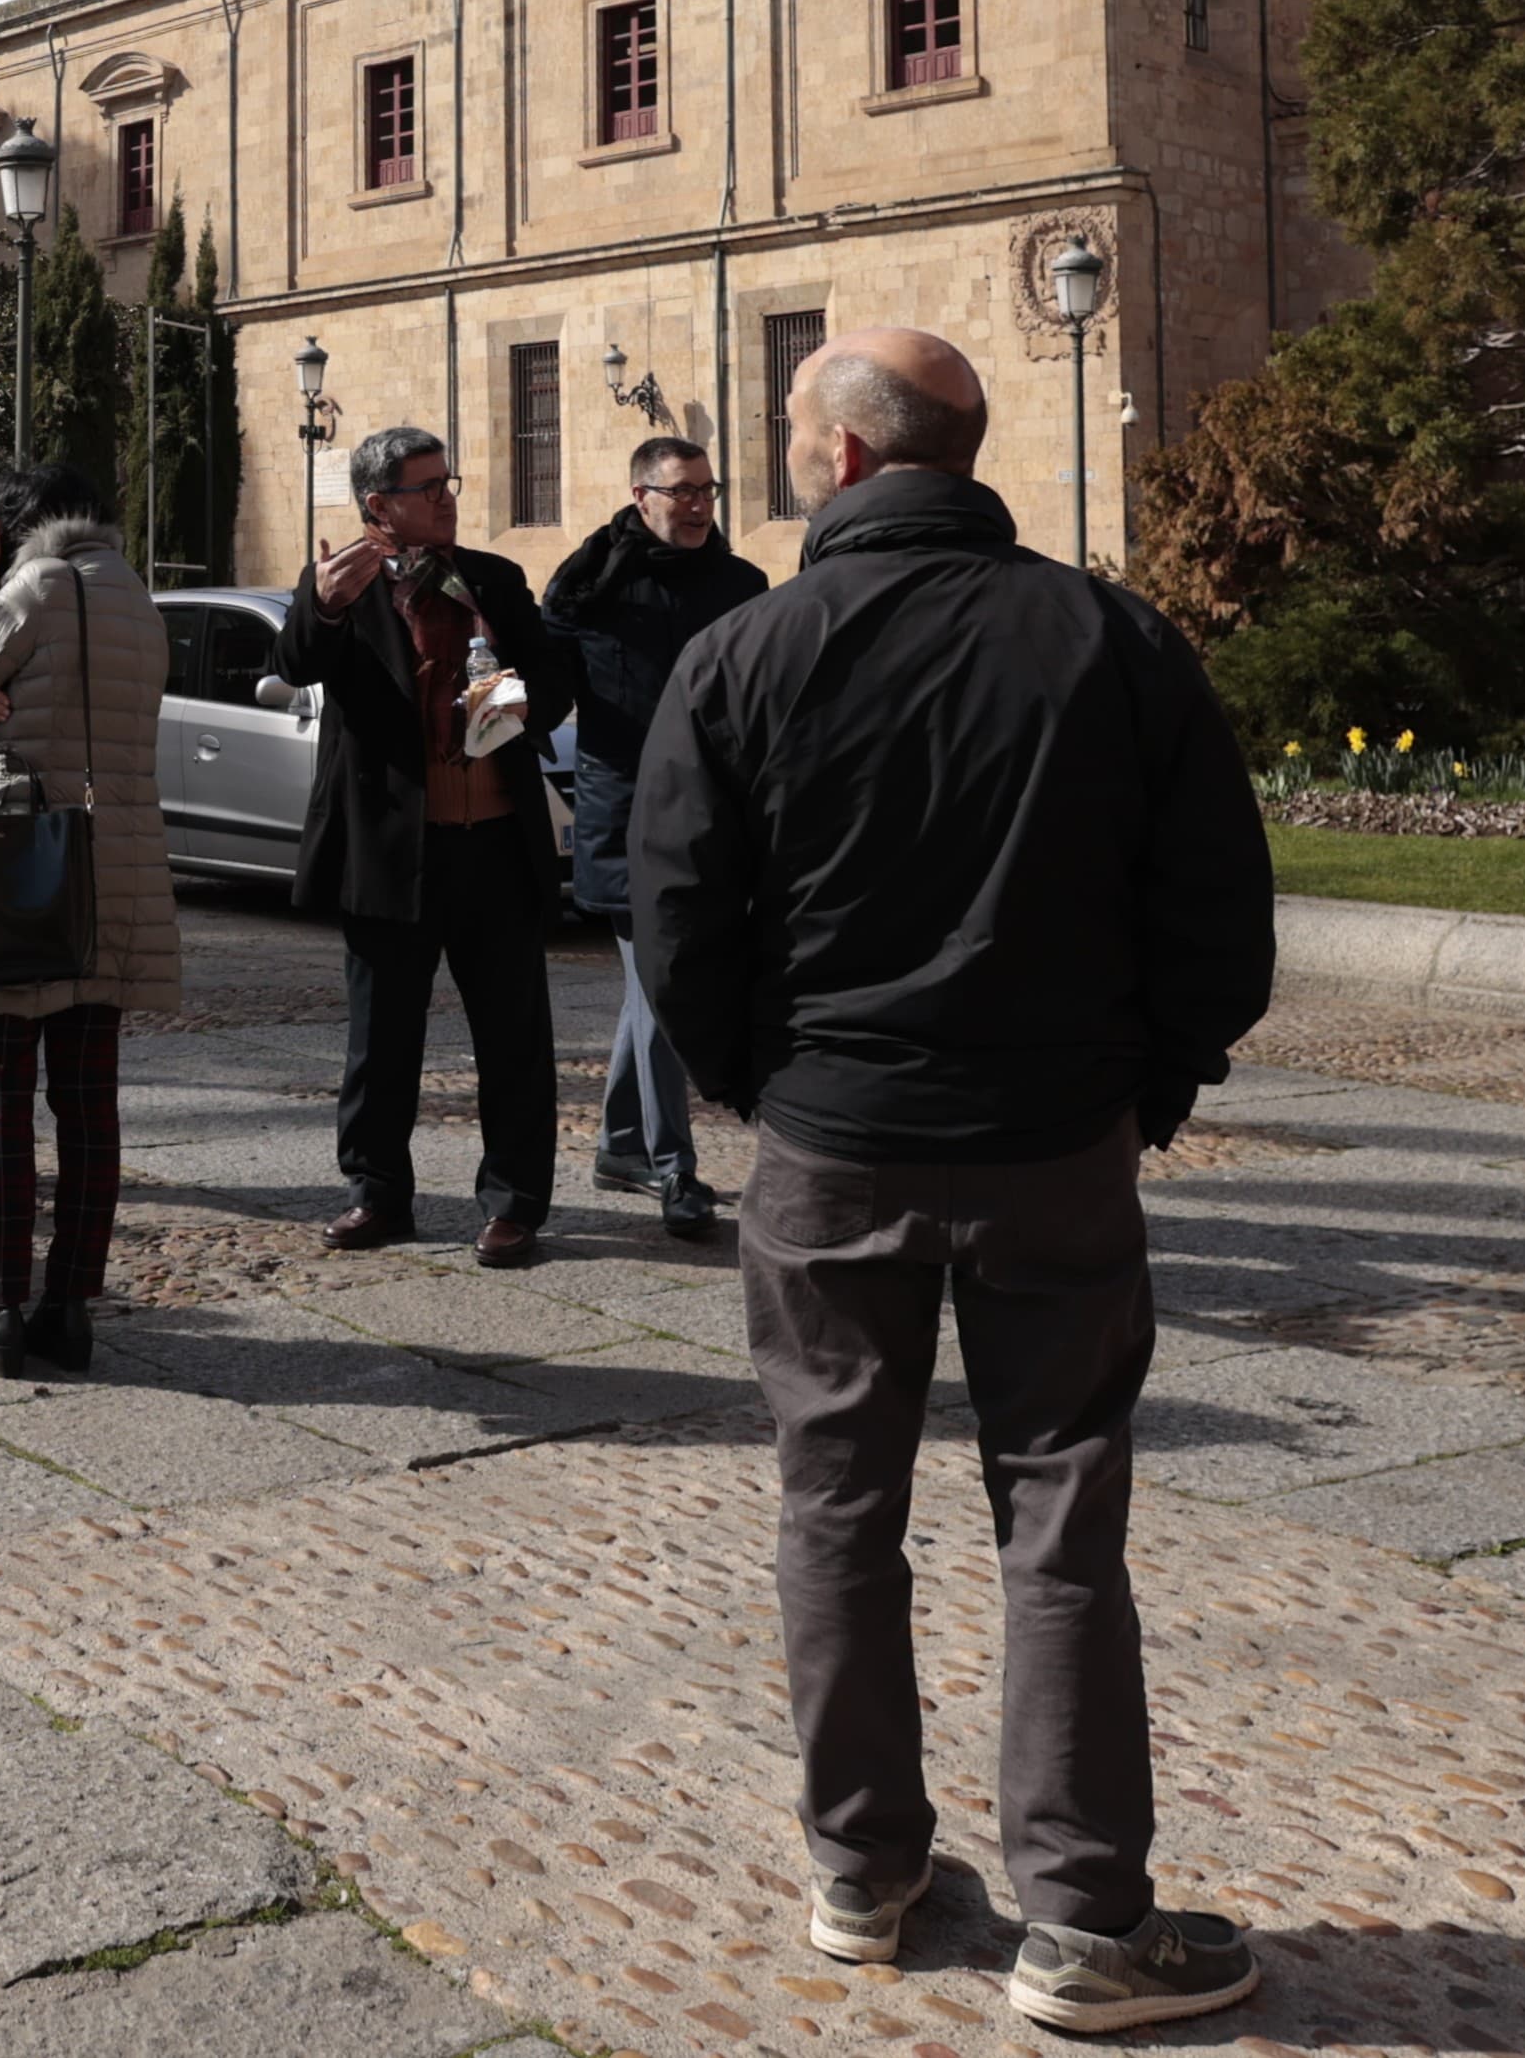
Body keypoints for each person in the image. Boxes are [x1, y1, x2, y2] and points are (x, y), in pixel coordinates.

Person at [631, 326, 1274, 2034]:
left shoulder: (745, 650)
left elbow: (674, 914)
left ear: (845, 457)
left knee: (833, 1502)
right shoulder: (1108, 637)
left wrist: (755, 1083)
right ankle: (1080, 1915)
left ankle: (864, 1870)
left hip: (834, 1137)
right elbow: (1217, 907)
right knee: (1060, 1518)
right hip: (1050, 1139)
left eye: (785, 427)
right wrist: (1152, 1081)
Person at [271, 423, 579, 1269]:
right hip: (389, 850)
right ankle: (376, 1194)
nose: (446, 497)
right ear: (380, 505)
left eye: (449, 481)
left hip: (493, 846)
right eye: (426, 486)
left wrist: (506, 699)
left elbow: (556, 682)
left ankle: (514, 1204)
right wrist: (325, 603)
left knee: (513, 1038)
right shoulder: (340, 587)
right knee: (382, 1036)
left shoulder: (494, 579)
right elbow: (296, 660)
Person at [0, 460, 178, 1376]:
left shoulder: (36, 580)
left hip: (24, 876)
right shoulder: (136, 595)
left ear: (18, 526)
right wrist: (3, 696)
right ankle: (71, 1306)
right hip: (115, 880)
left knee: (0, 1104)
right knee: (89, 1108)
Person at [542, 431, 766, 1241]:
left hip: (713, 811)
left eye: (708, 488)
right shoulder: (591, 585)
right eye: (683, 491)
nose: (701, 503)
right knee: (663, 984)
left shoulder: (742, 584)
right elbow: (542, 691)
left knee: (649, 989)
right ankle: (675, 1165)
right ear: (642, 497)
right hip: (624, 815)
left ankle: (619, 1143)